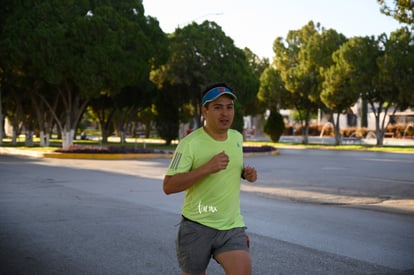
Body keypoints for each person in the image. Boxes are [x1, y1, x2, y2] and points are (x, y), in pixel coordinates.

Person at [163, 82, 257, 275]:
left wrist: (246, 174)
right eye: (217, 107)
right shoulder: (189, 144)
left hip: (231, 226)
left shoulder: (237, 137)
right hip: (197, 227)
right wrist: (206, 168)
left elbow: (232, 169)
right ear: (204, 111)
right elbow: (168, 186)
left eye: (229, 107)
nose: (225, 113)